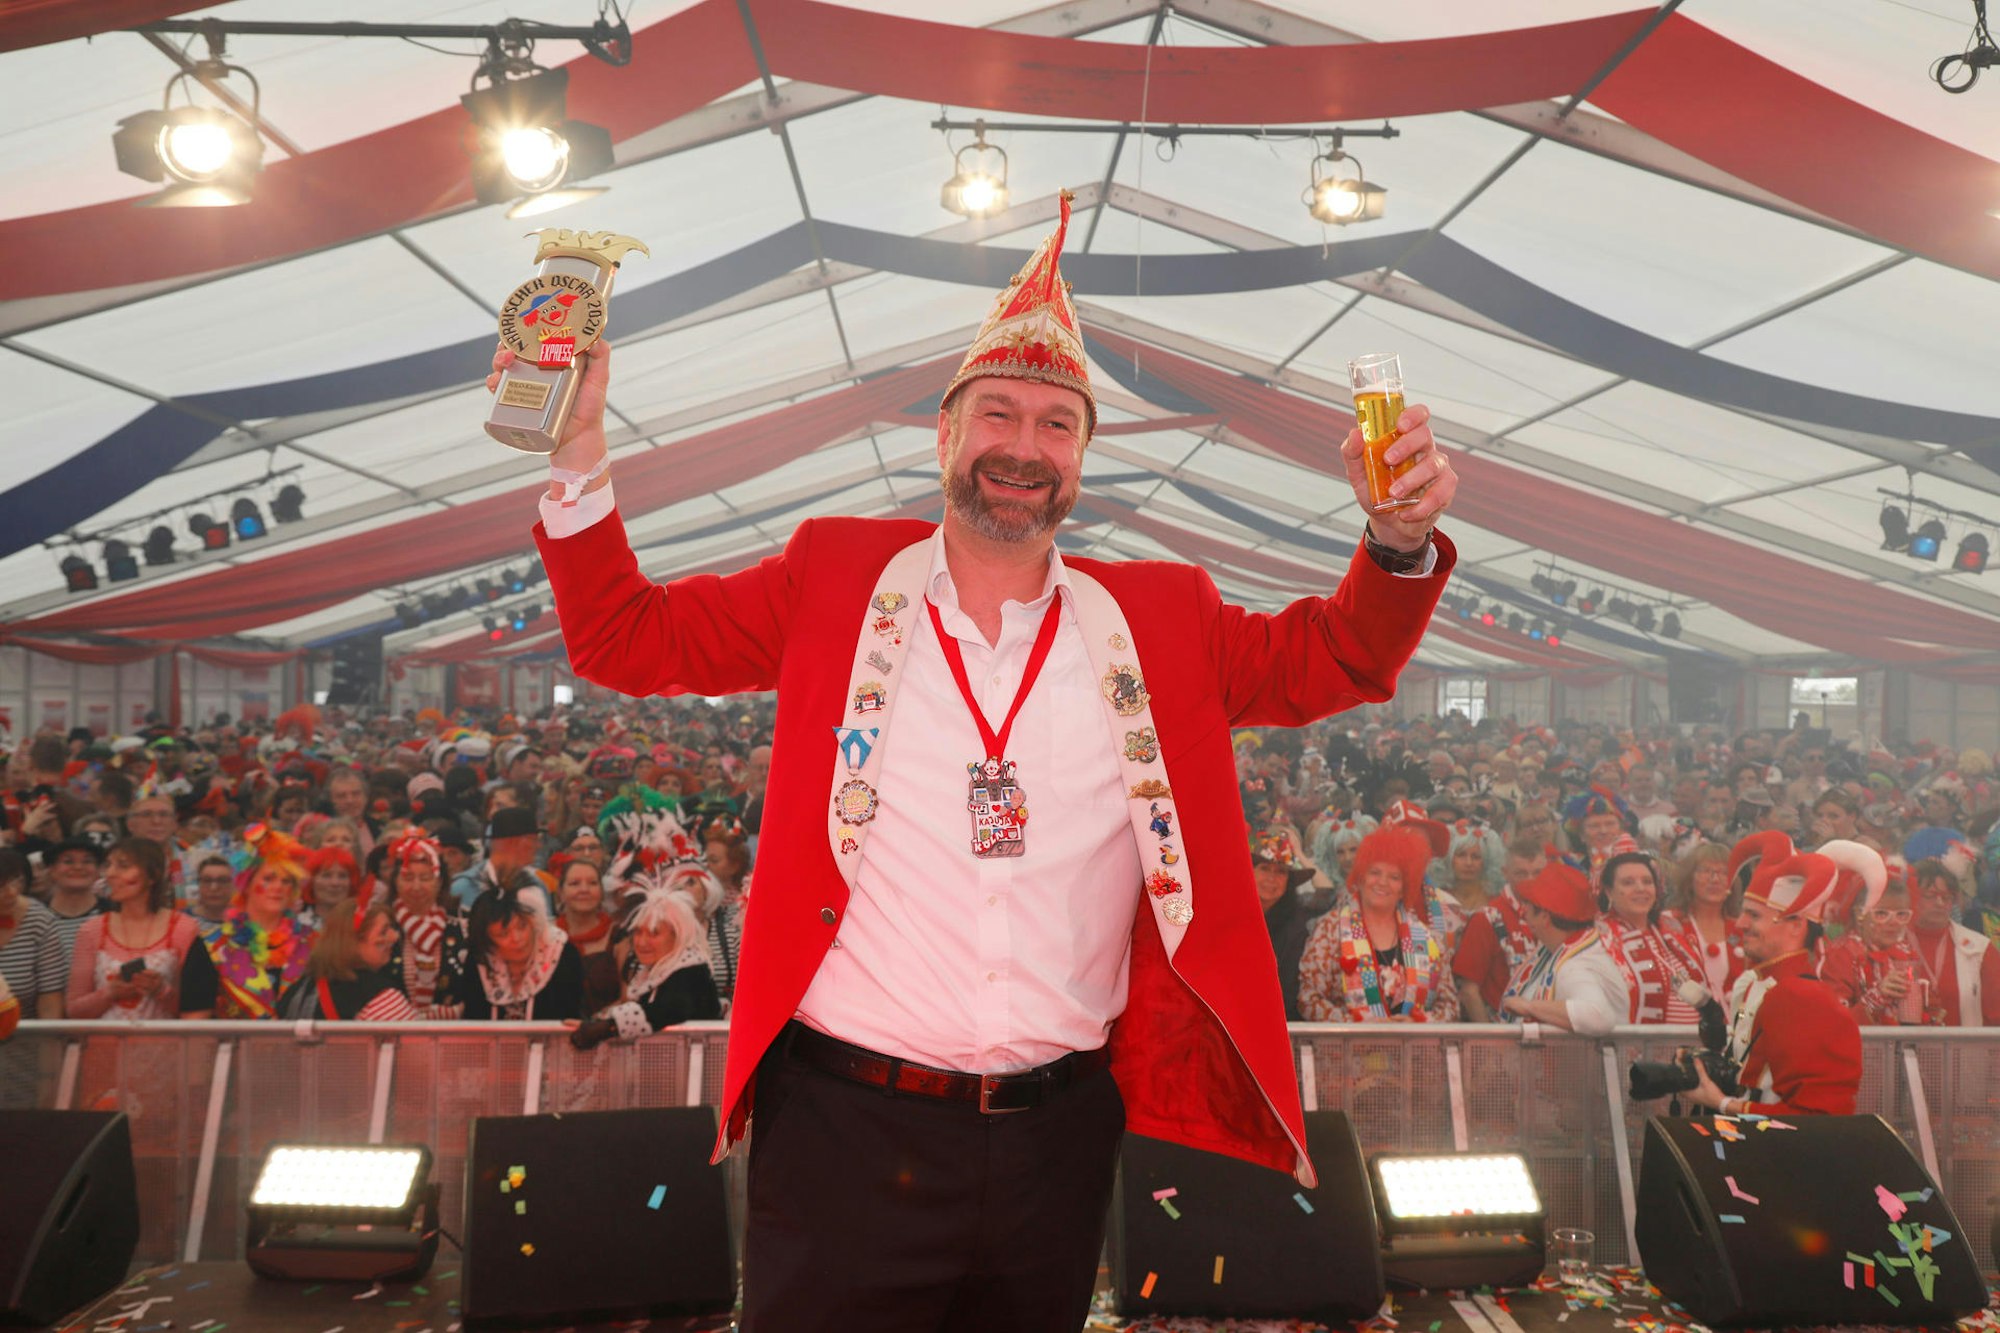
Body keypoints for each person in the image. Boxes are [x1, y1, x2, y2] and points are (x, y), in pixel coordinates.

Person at [511, 192, 1457, 1328]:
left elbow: (1336, 657)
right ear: (946, 435)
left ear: (1082, 457)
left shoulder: (1159, 615)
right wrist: (576, 451)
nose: (1023, 446)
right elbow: (626, 636)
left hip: (1056, 1133)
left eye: (1056, 423)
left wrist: (1395, 543)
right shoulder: (834, 575)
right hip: (844, 1126)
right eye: (997, 414)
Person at [1686, 850, 1866, 1117]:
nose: (1741, 924)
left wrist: (1723, 1104)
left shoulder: (1802, 996)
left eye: (1755, 916)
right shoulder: (1750, 984)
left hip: (1780, 1146)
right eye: (1744, 914)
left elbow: (1817, 1114)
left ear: (1796, 926)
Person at [1297, 826, 1462, 1022]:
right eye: (1375, 872)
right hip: (1348, 1048)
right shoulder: (1329, 930)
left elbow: (1450, 1006)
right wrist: (1359, 1025)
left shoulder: (1429, 938)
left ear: (1404, 889)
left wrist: (1419, 1023)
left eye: (1394, 877)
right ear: (1360, 877)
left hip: (1412, 1049)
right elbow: (1308, 999)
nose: (1382, 882)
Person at [180, 825, 316, 1020]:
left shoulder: (313, 942)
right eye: (268, 879)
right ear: (246, 884)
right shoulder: (212, 946)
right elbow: (194, 1023)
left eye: (287, 881)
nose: (278, 887)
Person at [570, 883, 722, 1048]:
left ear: (677, 936)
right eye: (638, 932)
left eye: (654, 933)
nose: (642, 942)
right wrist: (598, 1023)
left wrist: (607, 1027)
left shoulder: (692, 972)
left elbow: (669, 1009)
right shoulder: (653, 970)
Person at [66, 838, 197, 1022]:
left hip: (164, 1046)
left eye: (123, 866)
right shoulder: (92, 930)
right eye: (108, 865)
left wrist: (161, 991)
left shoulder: (183, 928)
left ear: (152, 876)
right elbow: (74, 1010)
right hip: (104, 1047)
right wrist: (108, 993)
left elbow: (196, 1009)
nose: (110, 873)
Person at [1499, 862, 1628, 1036]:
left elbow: (1598, 1016)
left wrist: (1529, 1006)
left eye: (1528, 904)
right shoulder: (1560, 949)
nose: (1524, 911)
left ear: (1544, 917)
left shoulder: (1577, 965)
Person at [1595, 852, 1703, 1024]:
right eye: (1628, 883)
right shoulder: (1599, 938)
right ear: (1609, 892)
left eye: (1647, 882)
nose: (1640, 888)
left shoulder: (1673, 929)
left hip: (1691, 1045)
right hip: (1638, 1046)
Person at [1452, 833, 1544, 1022]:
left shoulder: (1555, 914)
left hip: (1548, 1031)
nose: (1530, 880)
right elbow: (1469, 991)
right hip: (1504, 1033)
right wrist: (1490, 1042)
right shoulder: (1487, 918)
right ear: (1505, 873)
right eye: (1521, 873)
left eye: (1537, 873)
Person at [278, 902, 419, 1021]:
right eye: (383, 932)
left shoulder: (297, 990)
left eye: (392, 928)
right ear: (353, 942)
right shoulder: (382, 998)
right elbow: (417, 1050)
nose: (395, 936)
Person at [381, 831, 471, 1018]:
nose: (416, 887)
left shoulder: (463, 927)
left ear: (440, 883)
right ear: (395, 882)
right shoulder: (382, 927)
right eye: (407, 878)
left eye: (425, 878)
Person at [457, 888, 583, 1021]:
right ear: (488, 942)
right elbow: (474, 1020)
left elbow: (569, 1018)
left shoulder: (562, 954)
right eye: (503, 934)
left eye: (522, 926)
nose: (517, 938)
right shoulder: (479, 960)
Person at [1821, 876, 1932, 1025]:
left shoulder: (1906, 953)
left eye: (1902, 915)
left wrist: (1926, 1004)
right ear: (1859, 914)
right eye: (1881, 914)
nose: (1893, 923)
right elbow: (1835, 1024)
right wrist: (1877, 997)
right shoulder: (1840, 955)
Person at [1907, 856, 2000, 1026]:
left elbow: (1996, 1015)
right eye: (1930, 895)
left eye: (1947, 897)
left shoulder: (1980, 948)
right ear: (1911, 895)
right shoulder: (1890, 941)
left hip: (1966, 1050)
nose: (1940, 903)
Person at [1661, 842, 1743, 1008]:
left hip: (1735, 1024)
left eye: (1724, 872)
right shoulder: (1668, 923)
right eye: (1706, 871)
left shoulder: (1744, 928)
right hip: (1685, 1022)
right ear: (1689, 880)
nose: (1715, 879)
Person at [1253, 830, 1320, 1022]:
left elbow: (1289, 992)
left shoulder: (1297, 929)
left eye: (1280, 872)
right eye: (1265, 868)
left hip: (1278, 1021)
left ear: (1289, 882)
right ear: (1250, 871)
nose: (1271, 879)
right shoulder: (1229, 915)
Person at [0, 849, 65, 1022]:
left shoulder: (38, 919)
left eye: (16, 881)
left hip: (26, 1038)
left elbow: (50, 995)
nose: (12, 892)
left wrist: (48, 1046)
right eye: (0, 886)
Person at [553, 857, 620, 1013]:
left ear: (602, 892)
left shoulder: (619, 935)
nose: (584, 889)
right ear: (561, 892)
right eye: (575, 883)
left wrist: (595, 1026)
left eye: (592, 883)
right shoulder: (545, 935)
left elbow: (629, 995)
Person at [42, 835, 110, 966]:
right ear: (51, 870)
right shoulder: (36, 917)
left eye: (87, 861)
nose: (78, 867)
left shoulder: (113, 913)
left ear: (98, 871)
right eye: (68, 862)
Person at [188, 854, 236, 924]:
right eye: (207, 880)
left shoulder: (244, 922)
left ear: (232, 886)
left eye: (222, 880)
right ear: (199, 884)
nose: (214, 888)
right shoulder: (182, 920)